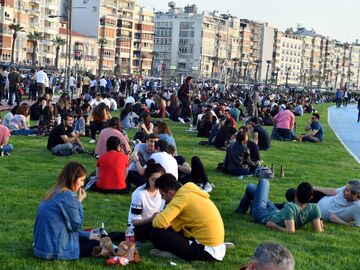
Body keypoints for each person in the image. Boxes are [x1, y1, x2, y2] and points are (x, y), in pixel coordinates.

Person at [150, 173, 226, 261]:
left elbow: (158, 223)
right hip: (216, 244)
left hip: (206, 251)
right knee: (168, 229)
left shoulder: (181, 198)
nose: (162, 199)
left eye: (162, 195)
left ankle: (176, 254)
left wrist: (158, 216)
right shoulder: (188, 189)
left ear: (170, 192)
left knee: (156, 233)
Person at [33, 162, 100, 260]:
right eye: (81, 180)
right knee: (96, 243)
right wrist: (79, 202)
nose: (82, 184)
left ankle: (91, 236)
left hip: (42, 247)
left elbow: (65, 226)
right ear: (72, 178)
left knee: (91, 238)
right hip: (55, 250)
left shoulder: (54, 191)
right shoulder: (67, 196)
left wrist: (89, 235)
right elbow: (76, 225)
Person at [236, 180, 324, 233]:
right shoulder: (314, 208)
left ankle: (243, 209)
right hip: (275, 212)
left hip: (262, 214)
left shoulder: (290, 207)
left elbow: (290, 230)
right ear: (311, 197)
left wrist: (275, 226)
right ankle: (241, 210)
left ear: (296, 195)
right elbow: (319, 230)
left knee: (262, 182)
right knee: (254, 190)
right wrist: (321, 224)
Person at [108, 163, 166, 242]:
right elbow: (134, 222)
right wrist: (151, 219)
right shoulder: (139, 194)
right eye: (153, 180)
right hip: (138, 227)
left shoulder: (163, 192)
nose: (156, 183)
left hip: (154, 223)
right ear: (148, 178)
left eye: (159, 180)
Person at [283, 180, 360, 227]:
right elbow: (333, 192)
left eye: (346, 190)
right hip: (321, 197)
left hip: (314, 209)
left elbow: (356, 225)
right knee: (291, 192)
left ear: (355, 195)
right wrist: (312, 188)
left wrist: (344, 223)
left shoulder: (357, 207)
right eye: (345, 188)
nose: (344, 191)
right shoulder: (350, 187)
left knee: (288, 207)